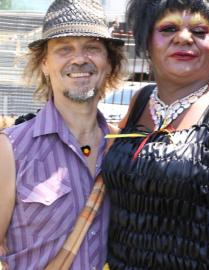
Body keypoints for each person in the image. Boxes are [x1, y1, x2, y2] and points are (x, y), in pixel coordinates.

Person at [102, 0, 209, 269]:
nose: (183, 37)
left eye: (200, 31)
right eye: (168, 28)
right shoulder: (139, 103)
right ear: (147, 41)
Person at [0, 0, 125, 269]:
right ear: (44, 63)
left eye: (92, 47)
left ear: (108, 62)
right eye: (64, 49)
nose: (79, 59)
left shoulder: (122, 148)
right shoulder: (9, 149)